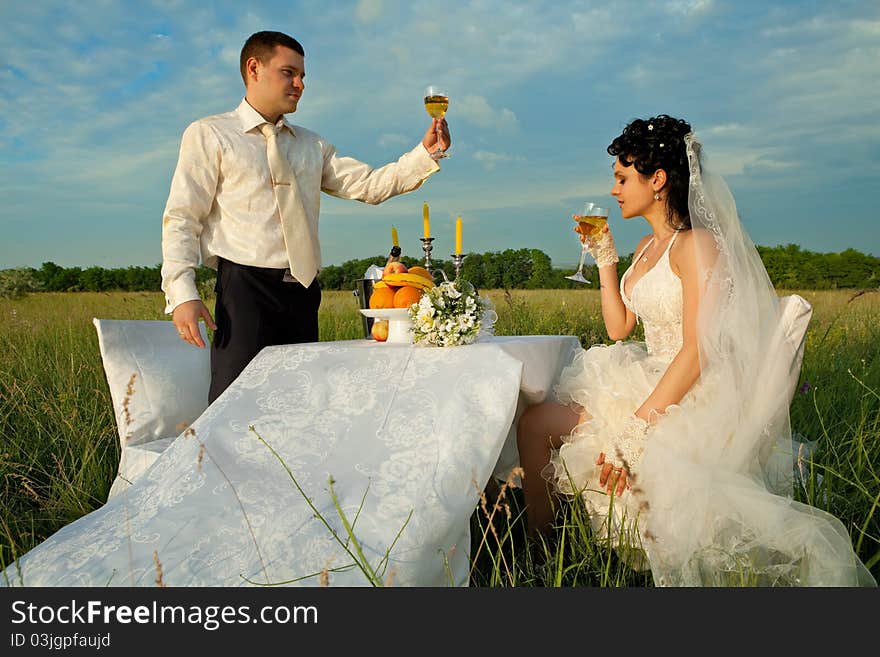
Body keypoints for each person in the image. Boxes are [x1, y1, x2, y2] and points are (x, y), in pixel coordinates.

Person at [516, 115, 875, 586]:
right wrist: (606, 258)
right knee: (536, 421)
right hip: (642, 372)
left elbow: (698, 351)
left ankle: (607, 554)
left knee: (630, 455)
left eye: (623, 177)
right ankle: (540, 559)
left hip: (689, 390)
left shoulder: (698, 245)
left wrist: (637, 430)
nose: (615, 189)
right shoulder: (647, 245)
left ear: (658, 179)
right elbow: (619, 327)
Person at [161, 31, 450, 403]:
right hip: (244, 291)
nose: (299, 84)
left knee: (298, 406)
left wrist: (425, 154)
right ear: (254, 68)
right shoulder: (211, 134)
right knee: (233, 407)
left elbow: (369, 185)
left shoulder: (312, 145)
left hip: (303, 291)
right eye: (289, 73)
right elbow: (183, 217)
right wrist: (182, 293)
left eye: (302, 77)